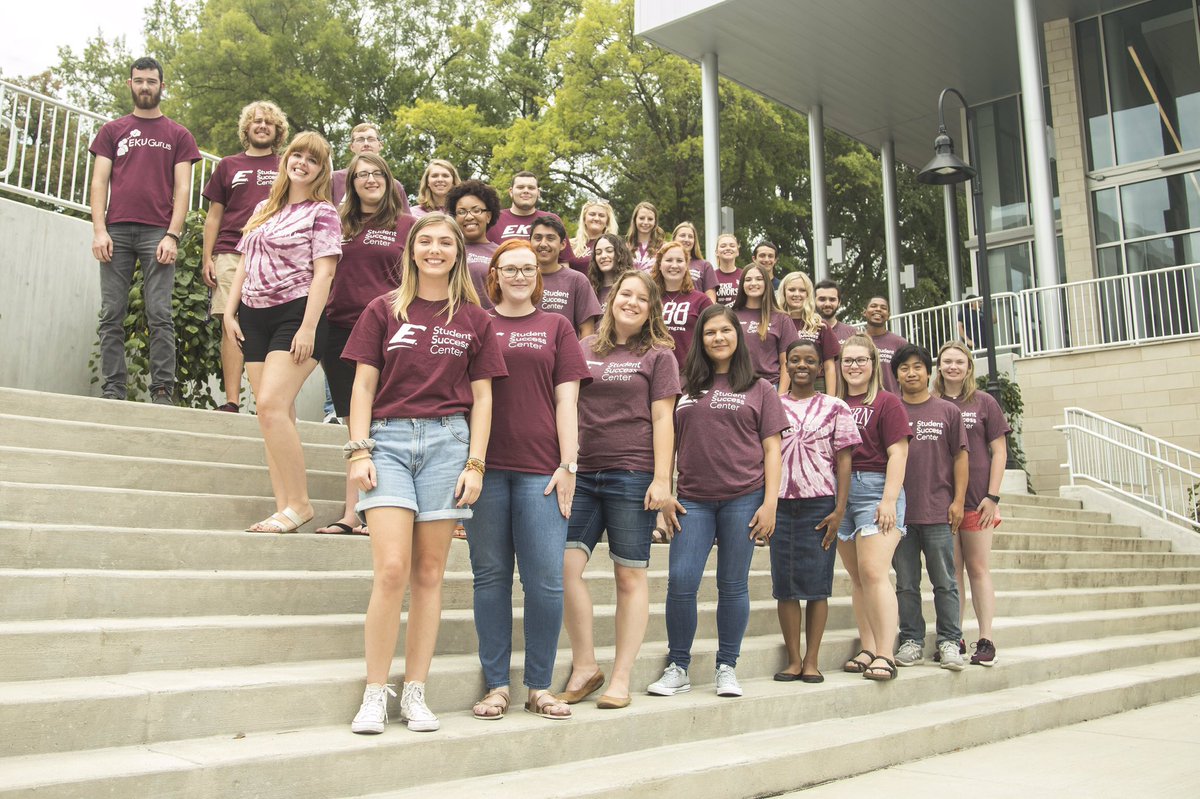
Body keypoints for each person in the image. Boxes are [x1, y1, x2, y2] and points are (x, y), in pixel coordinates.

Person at [341, 212, 508, 734]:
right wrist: (358, 450)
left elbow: (484, 399)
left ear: (459, 253)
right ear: (412, 249)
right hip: (387, 442)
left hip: (448, 443)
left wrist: (476, 463)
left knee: (430, 573)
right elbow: (363, 386)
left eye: (445, 243)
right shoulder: (383, 309)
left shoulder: (476, 319)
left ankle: (415, 691)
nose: (435, 250)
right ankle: (374, 692)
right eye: (426, 241)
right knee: (392, 569)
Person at [466, 240, 591, 721]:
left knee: (545, 582)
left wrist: (569, 464)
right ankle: (497, 685)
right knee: (490, 579)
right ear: (494, 275)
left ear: (538, 276)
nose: (519, 276)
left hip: (542, 470)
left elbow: (567, 401)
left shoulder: (557, 327)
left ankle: (539, 686)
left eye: (528, 269)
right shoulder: (477, 323)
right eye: (510, 268)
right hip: (487, 468)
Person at [648, 304, 786, 698]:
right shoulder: (685, 385)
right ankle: (678, 666)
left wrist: (770, 504)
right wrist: (665, 493)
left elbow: (773, 450)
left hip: (744, 498)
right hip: (692, 500)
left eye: (725, 330)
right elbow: (667, 441)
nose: (718, 338)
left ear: (737, 336)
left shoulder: (760, 388)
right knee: (681, 582)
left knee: (732, 584)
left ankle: (727, 666)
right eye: (710, 332)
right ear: (700, 339)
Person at [559, 270, 680, 710]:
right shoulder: (584, 347)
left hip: (632, 473)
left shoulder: (659, 355)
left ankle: (621, 677)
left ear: (651, 310)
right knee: (563, 567)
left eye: (641, 298)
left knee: (629, 575)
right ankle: (585, 666)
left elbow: (664, 418)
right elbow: (567, 404)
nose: (631, 302)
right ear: (610, 301)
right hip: (584, 472)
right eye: (624, 294)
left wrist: (663, 479)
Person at [222, 132, 341, 533]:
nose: (302, 163)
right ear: (286, 159)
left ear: (321, 170)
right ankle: (283, 508)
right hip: (253, 315)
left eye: (312, 159)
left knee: (271, 406)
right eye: (297, 155)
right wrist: (230, 311)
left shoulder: (323, 212)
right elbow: (244, 261)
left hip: (296, 314)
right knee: (273, 415)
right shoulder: (264, 208)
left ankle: (301, 504)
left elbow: (325, 273)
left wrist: (308, 326)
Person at [89, 56, 201, 405]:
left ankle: (162, 389)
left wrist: (173, 235)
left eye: (151, 81)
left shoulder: (178, 135)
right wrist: (99, 230)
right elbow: (99, 182)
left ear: (161, 86)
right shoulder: (112, 131)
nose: (145, 87)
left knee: (159, 313)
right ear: (130, 84)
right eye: (139, 81)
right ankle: (113, 387)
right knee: (112, 312)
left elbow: (183, 188)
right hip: (116, 231)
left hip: (158, 233)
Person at [314, 152, 414, 536]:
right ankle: (352, 513)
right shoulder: (337, 223)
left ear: (389, 181)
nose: (369, 180)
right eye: (361, 175)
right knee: (352, 424)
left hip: (390, 329)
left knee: (384, 420)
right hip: (340, 329)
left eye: (377, 174)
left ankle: (379, 510)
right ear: (351, 184)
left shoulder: (406, 225)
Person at [772, 339, 859, 683]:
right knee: (785, 585)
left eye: (810, 360)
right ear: (787, 366)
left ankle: (812, 660)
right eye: (795, 360)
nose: (802, 365)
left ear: (820, 368)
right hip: (780, 504)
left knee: (817, 586)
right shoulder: (773, 405)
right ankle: (793, 659)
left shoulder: (836, 407)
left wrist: (839, 510)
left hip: (820, 504)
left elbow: (845, 460)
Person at [202, 100, 288, 413]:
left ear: (278, 130)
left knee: (271, 324)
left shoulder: (286, 165)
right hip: (230, 251)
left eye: (269, 122)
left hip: (274, 255)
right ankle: (232, 401)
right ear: (246, 128)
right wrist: (207, 257)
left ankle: (268, 403)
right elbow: (214, 216)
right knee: (230, 321)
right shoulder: (228, 165)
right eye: (256, 121)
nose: (262, 126)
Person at [836, 334, 910, 682]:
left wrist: (889, 500)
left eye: (860, 360)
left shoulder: (887, 402)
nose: (853, 366)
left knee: (875, 572)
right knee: (858, 577)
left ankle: (885, 653)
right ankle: (867, 648)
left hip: (875, 489)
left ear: (873, 363)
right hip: (840, 493)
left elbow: (899, 452)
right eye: (847, 360)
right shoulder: (835, 403)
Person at [891, 344, 969, 671]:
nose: (911, 373)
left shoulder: (947, 411)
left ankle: (950, 641)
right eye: (904, 368)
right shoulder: (890, 409)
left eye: (917, 367)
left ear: (928, 372)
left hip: (938, 509)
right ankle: (911, 640)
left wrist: (959, 501)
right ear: (896, 375)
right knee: (906, 583)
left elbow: (960, 457)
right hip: (900, 513)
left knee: (945, 582)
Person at [933, 342, 1009, 667]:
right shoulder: (931, 402)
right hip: (944, 500)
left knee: (978, 568)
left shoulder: (984, 402)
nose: (953, 367)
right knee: (951, 574)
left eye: (959, 362)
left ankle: (986, 639)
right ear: (939, 366)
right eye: (947, 361)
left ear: (968, 367)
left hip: (978, 500)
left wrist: (993, 497)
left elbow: (1000, 451)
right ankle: (954, 637)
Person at [530, 216, 602, 337]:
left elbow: (587, 332)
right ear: (530, 242)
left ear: (563, 244)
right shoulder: (520, 278)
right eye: (538, 238)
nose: (543, 244)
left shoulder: (577, 280)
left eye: (550, 238)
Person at [731, 263, 798, 390]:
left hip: (770, 386)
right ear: (742, 285)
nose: (753, 283)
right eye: (748, 279)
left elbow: (787, 362)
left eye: (759, 279)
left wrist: (781, 396)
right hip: (736, 386)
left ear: (766, 283)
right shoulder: (731, 316)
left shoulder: (781, 318)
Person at [487, 172, 574, 263]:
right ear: (511, 192)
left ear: (538, 192)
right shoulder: (494, 218)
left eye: (531, 188)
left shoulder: (553, 219)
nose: (526, 191)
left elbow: (564, 261)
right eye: (520, 187)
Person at [653, 241, 713, 369]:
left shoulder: (701, 300)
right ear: (659, 265)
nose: (674, 265)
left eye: (679, 261)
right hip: (655, 371)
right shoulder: (649, 299)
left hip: (691, 373)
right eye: (669, 260)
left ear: (686, 266)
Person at [776, 271, 840, 391]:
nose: (797, 294)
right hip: (783, 385)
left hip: (816, 385)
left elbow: (829, 366)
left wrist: (830, 398)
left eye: (802, 290)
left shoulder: (819, 324)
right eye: (792, 290)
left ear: (808, 294)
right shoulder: (774, 323)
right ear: (783, 292)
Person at [445, 180, 501, 306]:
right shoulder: (446, 250)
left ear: (488, 216)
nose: (469, 217)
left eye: (476, 210)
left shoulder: (501, 254)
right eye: (462, 212)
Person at [330, 123, 410, 212]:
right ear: (352, 147)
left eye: (371, 139)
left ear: (380, 145)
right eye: (360, 140)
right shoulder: (334, 179)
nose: (366, 144)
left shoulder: (395, 186)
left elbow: (405, 218)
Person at [863, 295, 907, 394]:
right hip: (863, 400)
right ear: (864, 312)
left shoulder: (900, 343)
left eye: (883, 308)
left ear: (888, 315)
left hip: (893, 400)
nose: (878, 309)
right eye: (873, 306)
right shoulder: (856, 342)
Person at [670, 221, 718, 302]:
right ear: (674, 238)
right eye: (682, 235)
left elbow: (711, 301)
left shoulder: (705, 266)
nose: (686, 239)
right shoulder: (666, 264)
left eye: (690, 237)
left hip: (697, 309)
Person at [568, 199, 618, 273]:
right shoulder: (570, 245)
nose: (596, 218)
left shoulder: (615, 245)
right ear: (584, 219)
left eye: (601, 215)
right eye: (592, 214)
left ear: (607, 222)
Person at [587, 233, 634, 306]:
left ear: (620, 254)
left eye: (609, 251)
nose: (603, 256)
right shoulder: (590, 290)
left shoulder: (631, 286)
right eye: (598, 253)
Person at [814, 279, 858, 344]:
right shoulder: (805, 333)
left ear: (839, 302)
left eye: (832, 299)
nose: (827, 304)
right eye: (822, 299)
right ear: (814, 301)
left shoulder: (852, 334)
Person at [626, 201, 665, 272]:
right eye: (641, 218)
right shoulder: (626, 247)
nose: (646, 222)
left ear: (655, 222)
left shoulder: (663, 247)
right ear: (635, 220)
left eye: (650, 219)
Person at [713, 233, 742, 305]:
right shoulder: (711, 276)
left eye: (732, 246)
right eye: (723, 246)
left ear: (737, 252)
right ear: (716, 252)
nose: (728, 248)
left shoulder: (744, 275)